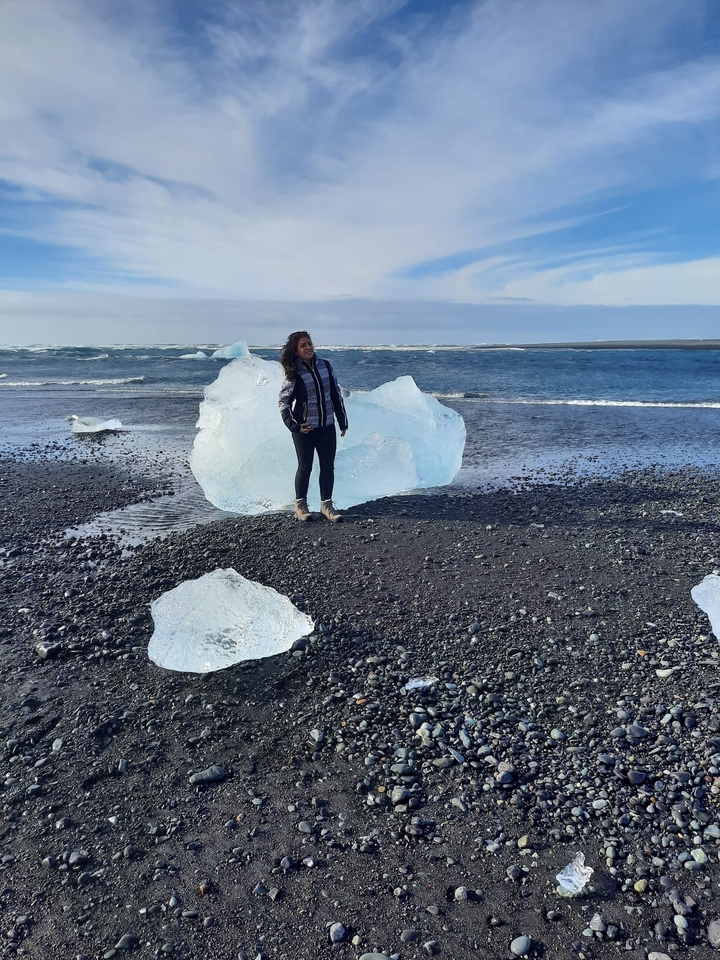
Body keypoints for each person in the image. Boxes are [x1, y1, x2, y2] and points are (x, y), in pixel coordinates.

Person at [278, 331, 348, 522]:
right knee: (305, 467)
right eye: (303, 345)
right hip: (305, 429)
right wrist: (294, 426)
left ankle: (327, 506)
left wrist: (342, 420)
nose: (308, 347)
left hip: (326, 426)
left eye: (309, 343)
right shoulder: (294, 371)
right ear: (296, 350)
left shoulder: (325, 365)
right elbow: (283, 402)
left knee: (328, 467)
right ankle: (300, 506)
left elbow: (335, 393)